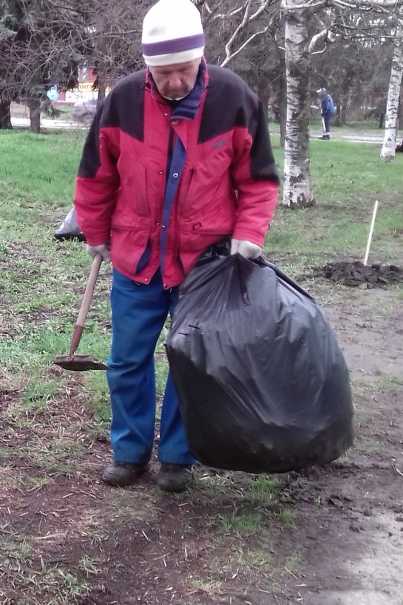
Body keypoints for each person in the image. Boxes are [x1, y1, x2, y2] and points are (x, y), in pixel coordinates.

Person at [73, 0, 279, 492]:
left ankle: (178, 458)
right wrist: (96, 232)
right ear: (148, 66)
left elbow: (258, 181)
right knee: (126, 360)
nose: (173, 82)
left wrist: (249, 236)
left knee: (194, 361)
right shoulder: (122, 100)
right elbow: (96, 177)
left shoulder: (233, 98)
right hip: (136, 259)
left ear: (200, 58)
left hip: (203, 264)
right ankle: (129, 451)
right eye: (162, 73)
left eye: (182, 71)